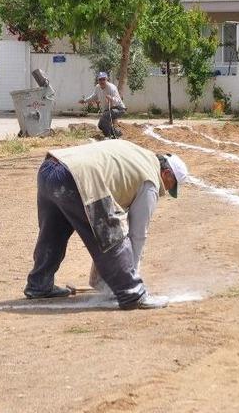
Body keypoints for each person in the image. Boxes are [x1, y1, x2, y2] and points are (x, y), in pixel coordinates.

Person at [23, 139, 189, 310]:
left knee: (53, 233)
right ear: (167, 174)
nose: (167, 191)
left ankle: (39, 284)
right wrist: (133, 274)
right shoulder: (151, 180)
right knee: (112, 235)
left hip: (50, 168)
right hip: (79, 178)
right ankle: (132, 293)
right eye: (171, 186)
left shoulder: (139, 154)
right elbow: (136, 234)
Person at [80, 72, 126, 138]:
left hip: (119, 109)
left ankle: (108, 136)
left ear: (107, 79)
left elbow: (118, 101)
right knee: (101, 125)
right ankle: (117, 134)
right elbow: (94, 96)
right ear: (98, 80)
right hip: (108, 110)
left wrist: (111, 98)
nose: (102, 81)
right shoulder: (97, 87)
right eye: (100, 79)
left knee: (105, 117)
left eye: (103, 79)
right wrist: (85, 100)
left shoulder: (112, 88)